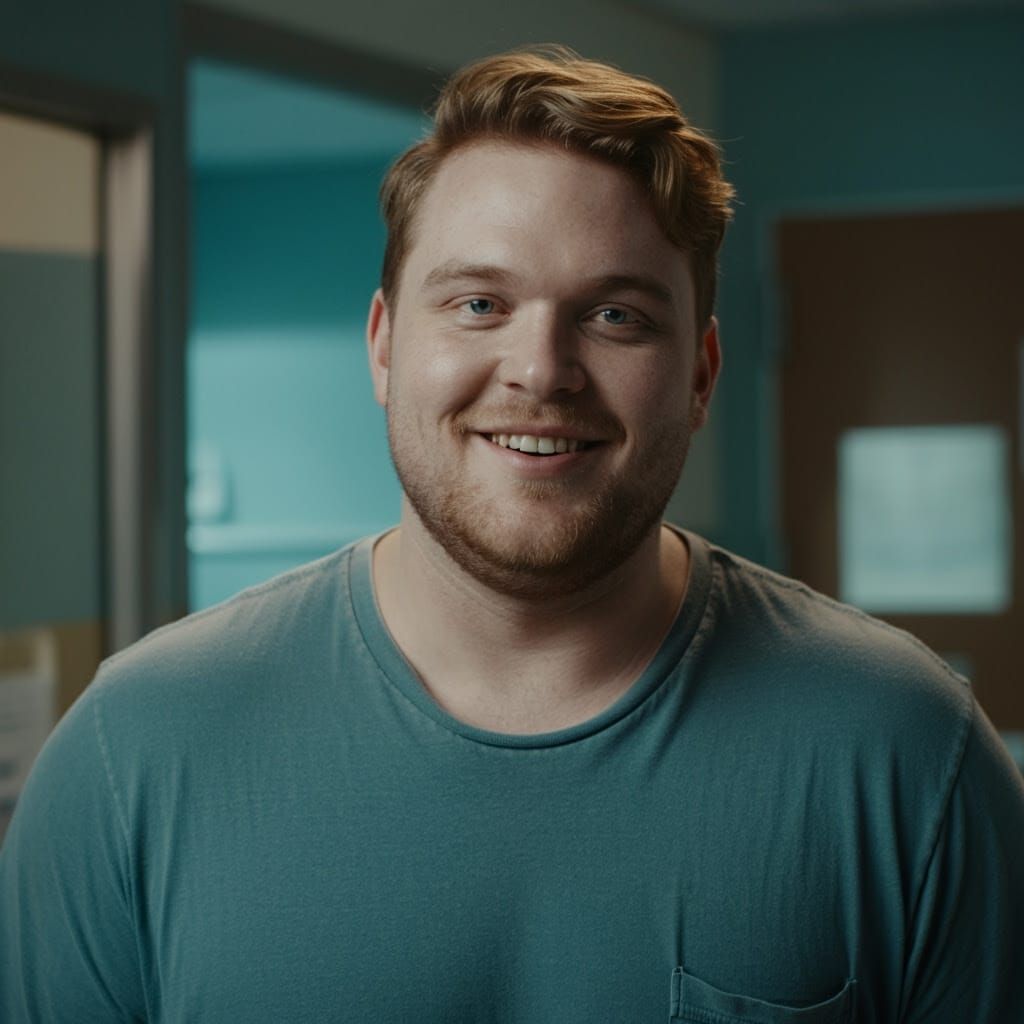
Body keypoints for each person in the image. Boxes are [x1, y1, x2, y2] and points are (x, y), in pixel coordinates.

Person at [2, 46, 1022, 1023]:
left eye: (616, 316)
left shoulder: (901, 753)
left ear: (702, 372)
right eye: (480, 302)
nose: (542, 369)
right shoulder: (134, 752)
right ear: (384, 345)